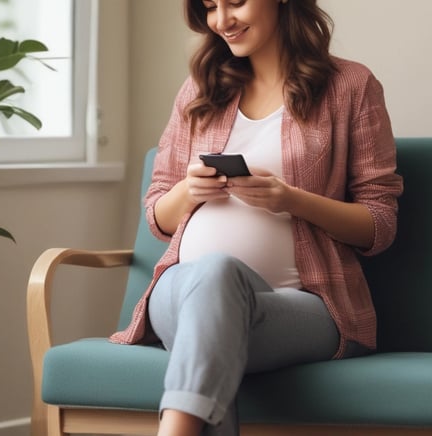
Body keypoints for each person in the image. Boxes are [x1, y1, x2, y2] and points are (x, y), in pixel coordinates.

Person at [110, 0, 403, 434]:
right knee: (213, 276)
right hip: (181, 293)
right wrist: (188, 192)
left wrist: (292, 200)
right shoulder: (200, 88)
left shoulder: (350, 86)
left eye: (235, 2)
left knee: (216, 311)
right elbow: (158, 213)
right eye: (210, 7)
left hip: (305, 307)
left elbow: (379, 224)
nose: (221, 20)